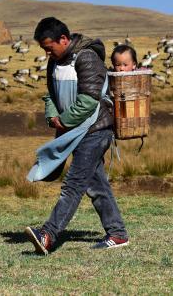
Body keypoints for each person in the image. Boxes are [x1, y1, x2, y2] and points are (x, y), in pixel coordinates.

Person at [25, 17, 129, 254]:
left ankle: (48, 235)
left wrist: (63, 121)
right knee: (96, 185)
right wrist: (52, 117)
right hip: (74, 132)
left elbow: (89, 100)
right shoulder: (54, 62)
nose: (47, 54)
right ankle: (118, 234)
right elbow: (50, 94)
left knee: (73, 184)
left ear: (64, 39)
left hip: (96, 129)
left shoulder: (87, 58)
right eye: (44, 50)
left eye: (49, 48)